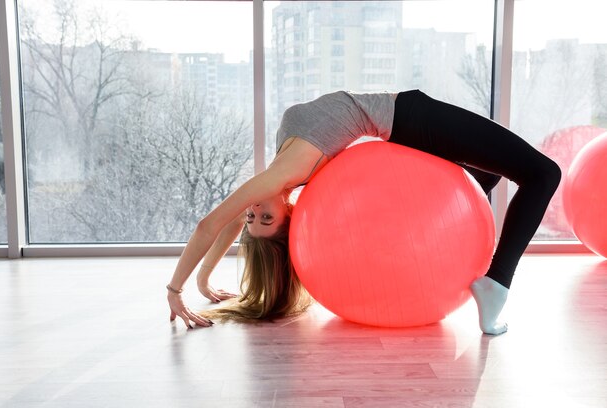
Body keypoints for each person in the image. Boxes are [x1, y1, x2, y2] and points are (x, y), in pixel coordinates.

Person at [166, 89, 561, 335]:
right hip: (410, 117)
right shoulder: (283, 177)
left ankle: (471, 239)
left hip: (408, 126)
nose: (252, 211)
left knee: (482, 179)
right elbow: (211, 224)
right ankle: (497, 284)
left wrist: (201, 281)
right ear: (290, 215)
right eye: (265, 219)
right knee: (544, 174)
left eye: (253, 218)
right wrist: (174, 290)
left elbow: (226, 222)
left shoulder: (275, 178)